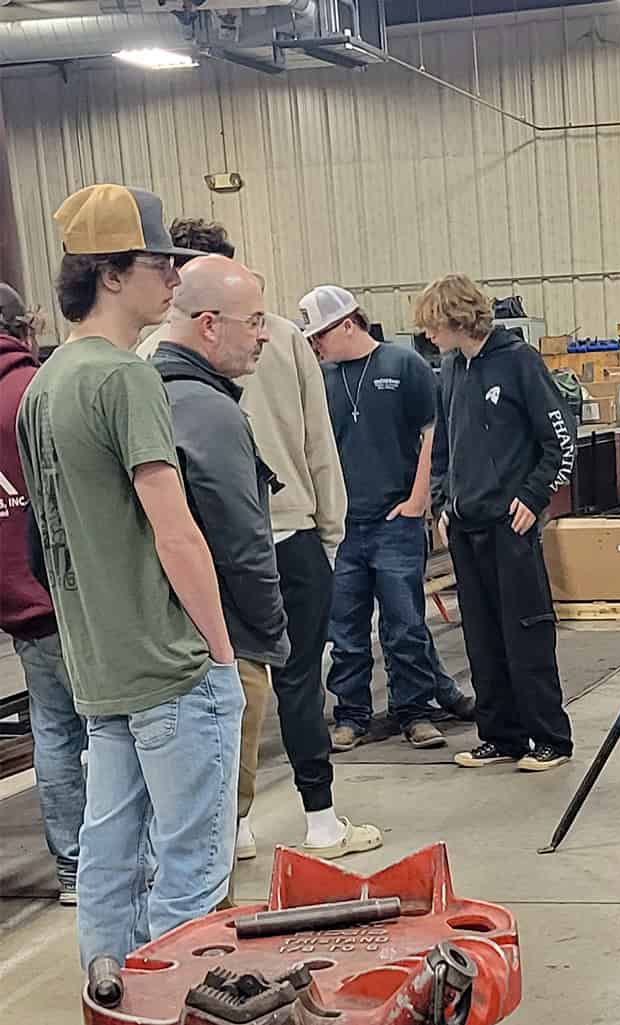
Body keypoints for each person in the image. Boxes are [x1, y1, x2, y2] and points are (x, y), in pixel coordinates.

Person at [17, 184, 244, 965]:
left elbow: (47, 541)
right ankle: (171, 1002)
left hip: (101, 665)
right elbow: (175, 530)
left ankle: (108, 995)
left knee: (109, 853)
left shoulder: (45, 384)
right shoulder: (126, 378)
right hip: (169, 663)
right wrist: (221, 654)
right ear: (110, 273)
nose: (175, 278)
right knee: (192, 870)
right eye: (159, 264)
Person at [139, 219, 377, 861]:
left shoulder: (152, 351)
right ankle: (320, 820)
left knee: (230, 686)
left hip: (210, 546)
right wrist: (331, 531)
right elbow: (319, 441)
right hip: (290, 534)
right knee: (299, 682)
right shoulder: (284, 337)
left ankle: (234, 825)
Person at [299, 284, 471, 752]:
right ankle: (352, 715)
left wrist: (419, 500)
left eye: (319, 336)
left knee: (405, 624)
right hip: (342, 526)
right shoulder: (319, 379)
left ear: (347, 325)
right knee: (346, 630)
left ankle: (413, 711)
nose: (315, 345)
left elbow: (433, 433)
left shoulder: (403, 365)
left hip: (395, 519)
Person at [416, 274, 576, 772]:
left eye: (433, 325)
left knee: (526, 633)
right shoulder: (451, 368)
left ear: (456, 318)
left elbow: (560, 440)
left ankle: (550, 737)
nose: (428, 335)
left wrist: (534, 494)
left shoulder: (519, 361)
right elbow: (443, 445)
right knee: (482, 638)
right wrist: (443, 501)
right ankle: (501, 735)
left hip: (511, 524)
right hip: (466, 525)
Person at [0, 283, 85, 907]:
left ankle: (73, 868)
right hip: (68, 591)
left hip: (14, 601)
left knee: (52, 733)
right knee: (110, 732)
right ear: (21, 327)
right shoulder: (36, 390)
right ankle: (117, 864)